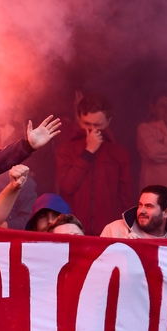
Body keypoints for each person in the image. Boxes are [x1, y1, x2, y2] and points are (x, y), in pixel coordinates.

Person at [56, 94, 131, 235]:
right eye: (87, 124)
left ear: (108, 122)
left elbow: (125, 197)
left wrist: (127, 228)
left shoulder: (119, 153)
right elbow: (67, 185)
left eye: (97, 125)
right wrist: (88, 152)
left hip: (108, 230)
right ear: (79, 119)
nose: (92, 129)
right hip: (74, 229)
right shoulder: (66, 149)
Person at [100, 185, 167, 239]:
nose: (141, 210)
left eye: (149, 206)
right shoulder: (114, 230)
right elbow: (99, 260)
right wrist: (121, 249)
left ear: (166, 213)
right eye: (140, 205)